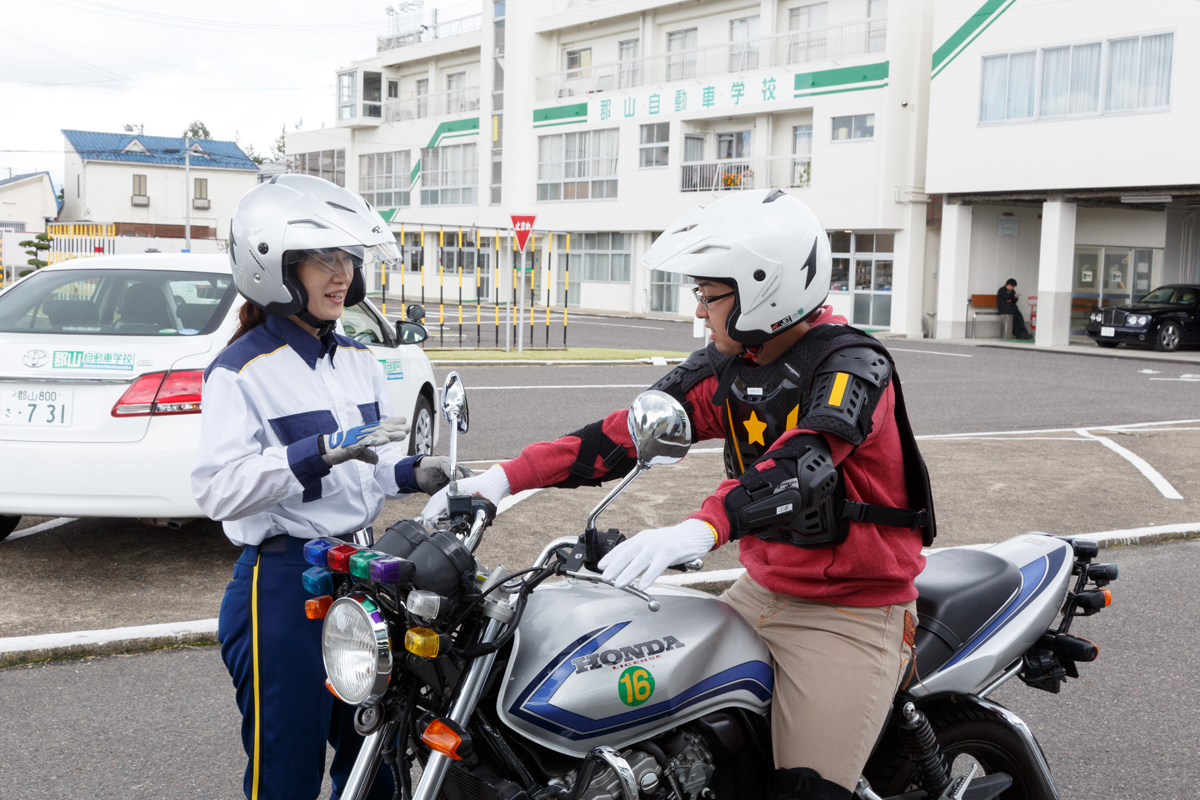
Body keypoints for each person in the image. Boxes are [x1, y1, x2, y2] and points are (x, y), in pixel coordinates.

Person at [422, 189, 936, 799]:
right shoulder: (733, 364)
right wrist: (501, 479)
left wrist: (700, 527)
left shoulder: (852, 365)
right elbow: (624, 434)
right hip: (759, 591)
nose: (700, 312)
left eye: (710, 295)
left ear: (764, 289)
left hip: (850, 612)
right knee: (668, 742)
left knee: (804, 792)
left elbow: (806, 468)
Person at [192, 174, 465, 800]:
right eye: (323, 259)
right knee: (285, 770)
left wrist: (414, 473)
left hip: (360, 576)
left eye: (347, 258)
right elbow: (217, 490)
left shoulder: (359, 360)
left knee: (374, 755)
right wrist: (310, 455)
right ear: (274, 264)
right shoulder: (240, 373)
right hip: (282, 584)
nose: (341, 274)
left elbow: (368, 468)